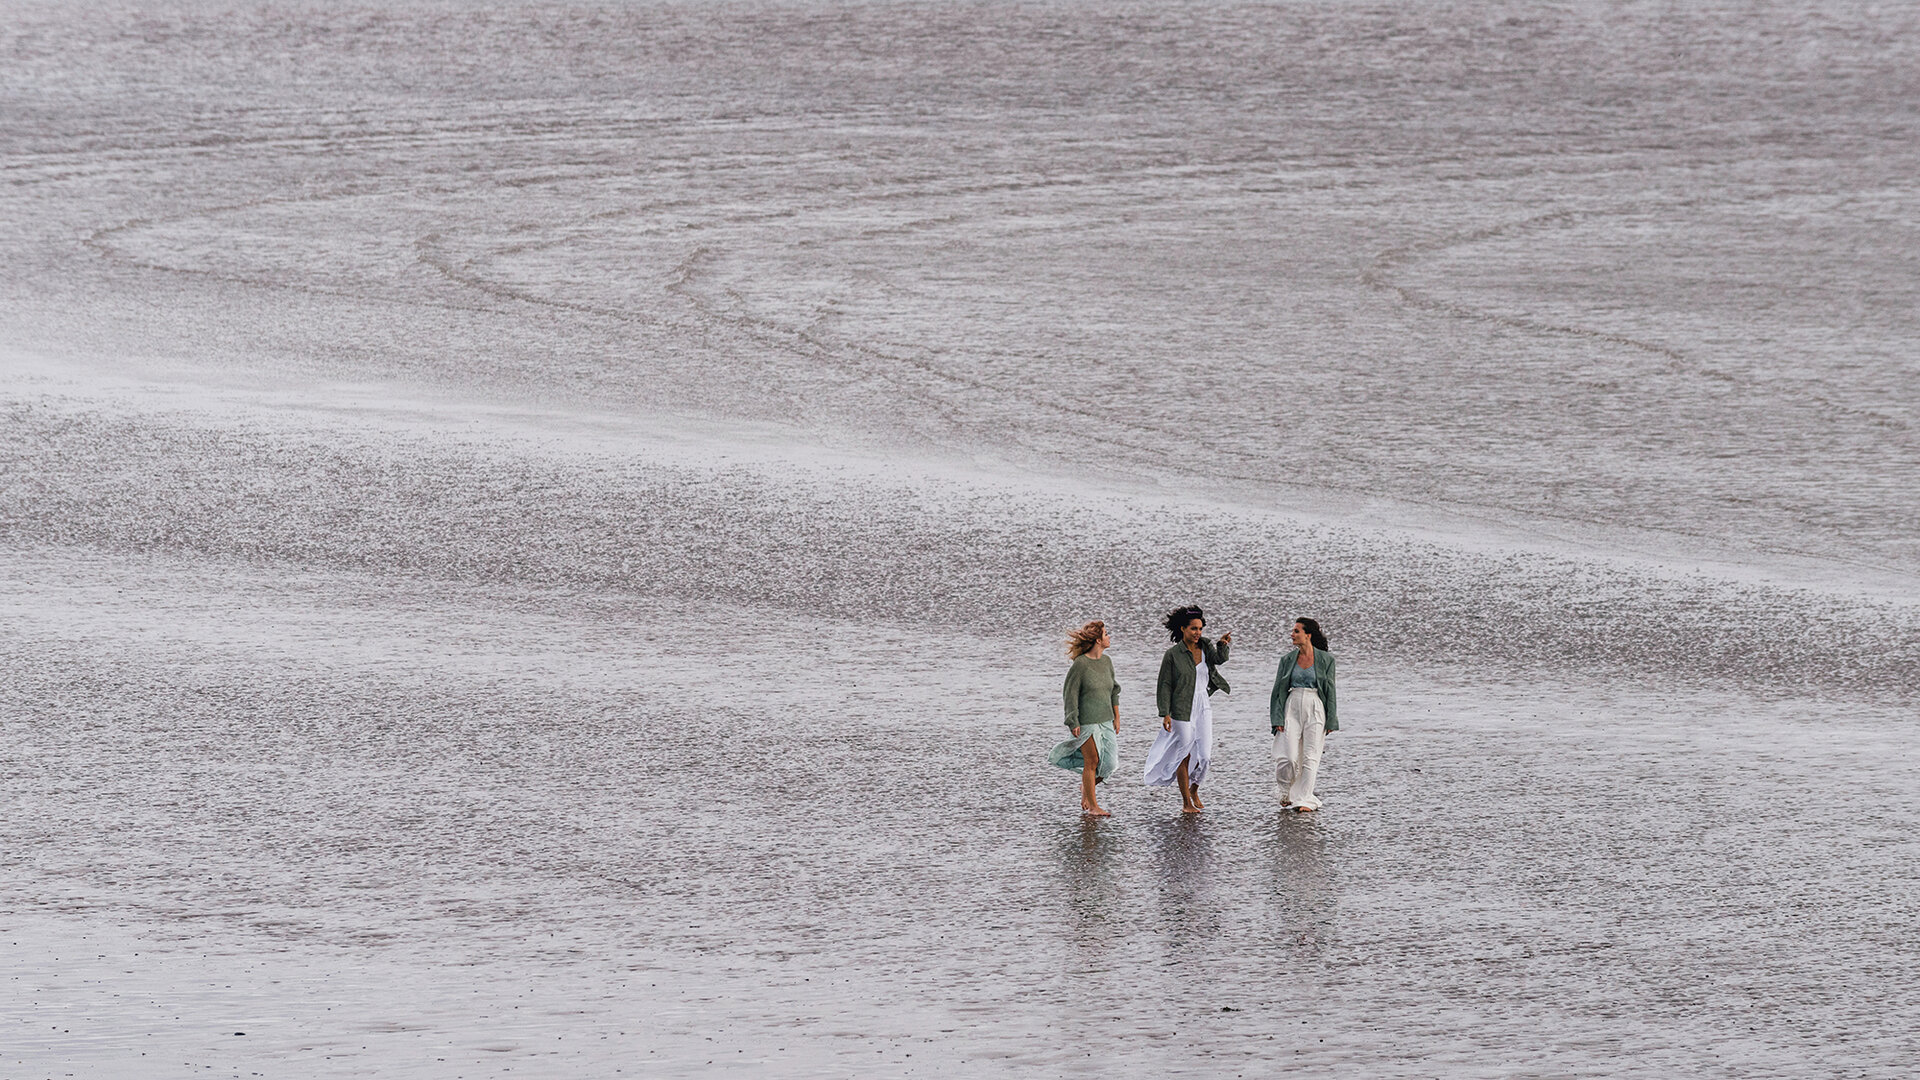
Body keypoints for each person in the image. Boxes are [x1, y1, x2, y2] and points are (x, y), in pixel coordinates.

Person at [1144, 605, 1230, 813]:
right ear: (1183, 629)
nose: (1197, 633)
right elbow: (1164, 684)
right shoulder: (1173, 655)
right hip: (1181, 709)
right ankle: (1185, 803)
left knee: (1206, 756)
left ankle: (1194, 788)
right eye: (1193, 629)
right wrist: (1165, 712)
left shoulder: (1206, 646)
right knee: (1184, 753)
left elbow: (1220, 659)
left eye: (1200, 629)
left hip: (1203, 705)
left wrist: (1223, 644)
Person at [1050, 620, 1121, 816]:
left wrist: (1117, 715)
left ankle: (1086, 789)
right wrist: (1073, 721)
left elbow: (1114, 689)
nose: (1109, 637)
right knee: (1092, 761)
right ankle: (1093, 806)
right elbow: (1070, 694)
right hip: (1086, 721)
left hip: (1106, 719)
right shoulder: (1080, 665)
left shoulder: (1107, 662)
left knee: (1110, 764)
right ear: (1098, 640)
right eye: (1106, 634)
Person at [1269, 617, 1337, 812]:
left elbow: (1331, 690)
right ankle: (1284, 790)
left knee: (1311, 756)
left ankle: (1304, 799)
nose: (1292, 634)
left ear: (1308, 635)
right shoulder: (1287, 660)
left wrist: (1332, 718)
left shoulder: (1326, 660)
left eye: (1296, 631)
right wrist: (1277, 718)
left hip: (1315, 706)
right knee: (1288, 756)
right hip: (1292, 705)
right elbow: (1277, 691)